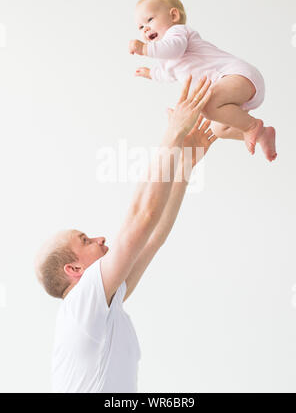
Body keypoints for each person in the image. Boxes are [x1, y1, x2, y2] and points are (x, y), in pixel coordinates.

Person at [35, 76, 217, 393]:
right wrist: (173, 133)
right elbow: (141, 219)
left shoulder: (102, 306)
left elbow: (154, 236)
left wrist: (185, 163)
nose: (101, 239)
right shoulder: (81, 301)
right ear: (74, 270)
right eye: (86, 241)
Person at [129, 0, 277, 162]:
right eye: (140, 27)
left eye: (150, 20)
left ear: (174, 15)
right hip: (231, 90)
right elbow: (167, 74)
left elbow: (173, 47)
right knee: (218, 129)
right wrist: (150, 74)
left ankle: (251, 125)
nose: (145, 28)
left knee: (206, 107)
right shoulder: (167, 59)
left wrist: (144, 49)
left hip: (238, 76)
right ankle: (262, 134)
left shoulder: (177, 32)